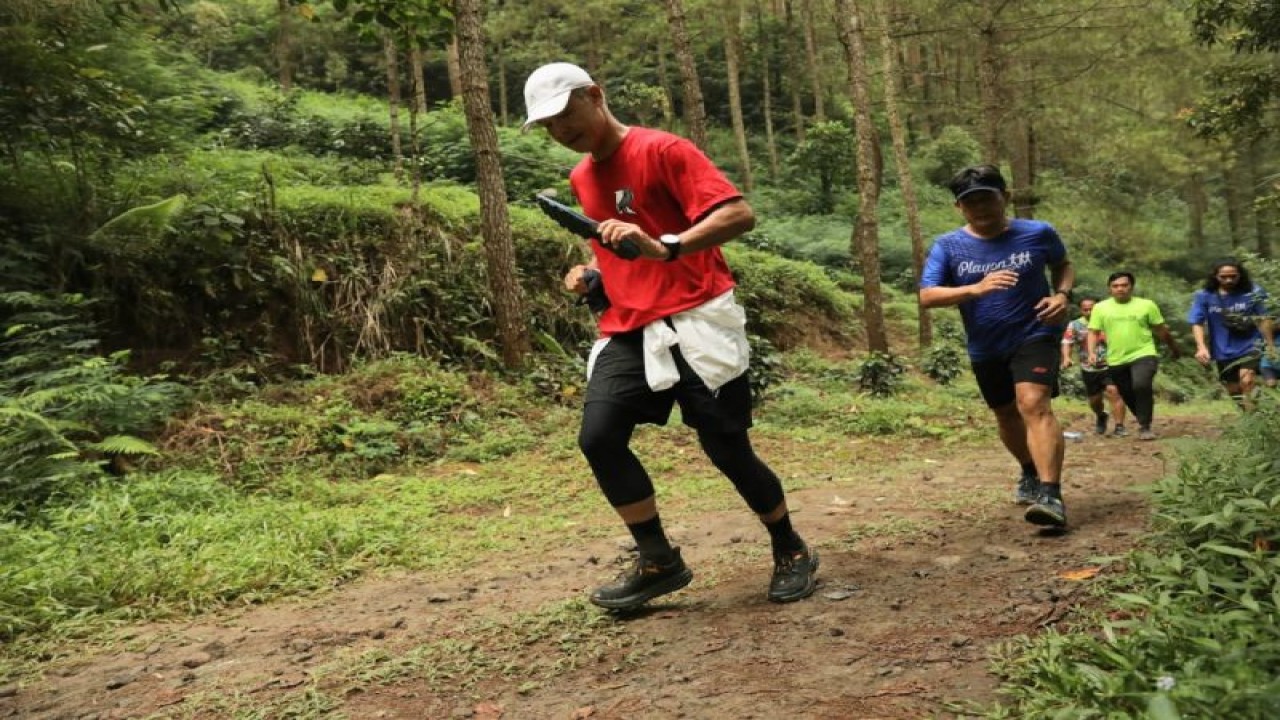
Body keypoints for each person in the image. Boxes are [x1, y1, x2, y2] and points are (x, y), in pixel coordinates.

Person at [522, 62, 817, 610]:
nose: (561, 132)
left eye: (566, 115)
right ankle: (659, 559)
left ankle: (790, 547)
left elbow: (738, 213)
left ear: (595, 95)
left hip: (697, 315)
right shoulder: (582, 178)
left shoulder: (664, 150)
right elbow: (611, 244)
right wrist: (593, 271)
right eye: (548, 126)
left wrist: (669, 245)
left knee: (726, 448)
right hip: (630, 323)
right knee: (599, 437)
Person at [919, 164, 1075, 529]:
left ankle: (1051, 495)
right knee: (1006, 414)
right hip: (986, 344)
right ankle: (1029, 471)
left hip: (1035, 332)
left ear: (1004, 197)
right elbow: (927, 295)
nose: (980, 207)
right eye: (970, 201)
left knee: (1033, 403)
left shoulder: (1038, 233)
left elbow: (1063, 264)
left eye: (987, 198)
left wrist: (1063, 294)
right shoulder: (948, 245)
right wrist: (975, 288)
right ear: (959, 207)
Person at [1086, 272, 1181, 441]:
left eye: (1124, 285)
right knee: (1127, 392)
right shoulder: (1101, 308)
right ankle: (1142, 416)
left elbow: (1161, 329)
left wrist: (1173, 347)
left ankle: (1145, 426)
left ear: (1131, 287)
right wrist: (1092, 352)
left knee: (1141, 385)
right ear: (1110, 289)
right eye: (1115, 286)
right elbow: (1093, 332)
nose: (1120, 289)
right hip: (1116, 358)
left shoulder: (1147, 305)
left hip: (1144, 353)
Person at [1188, 258, 1276, 410]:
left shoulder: (1253, 292)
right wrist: (1201, 347)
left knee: (1247, 381)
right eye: (1224, 277)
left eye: (1233, 276)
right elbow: (1197, 322)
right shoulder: (1204, 296)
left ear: (1240, 275)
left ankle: (1254, 421)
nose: (1229, 280)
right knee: (1234, 390)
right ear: (1215, 276)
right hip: (1222, 349)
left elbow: (1264, 319)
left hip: (1252, 345)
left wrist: (1270, 345)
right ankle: (1252, 417)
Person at [1061, 296, 1128, 436]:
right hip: (1089, 368)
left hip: (1110, 364)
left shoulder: (1108, 322)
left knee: (1113, 391)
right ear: (1081, 310)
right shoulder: (1075, 325)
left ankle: (1119, 426)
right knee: (1095, 400)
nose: (1089, 311)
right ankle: (1101, 415)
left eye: (1091, 308)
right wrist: (1067, 358)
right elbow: (1067, 342)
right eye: (1085, 309)